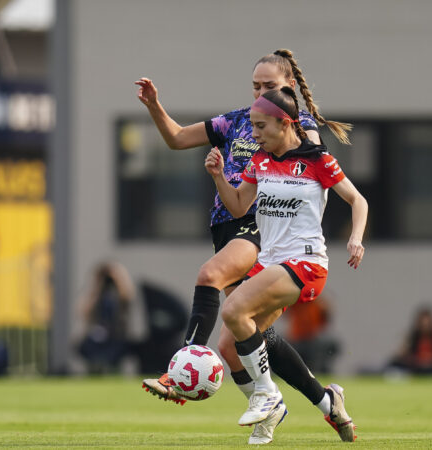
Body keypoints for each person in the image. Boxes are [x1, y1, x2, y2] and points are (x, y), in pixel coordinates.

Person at [136, 50, 352, 443]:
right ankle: (324, 402)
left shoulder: (296, 126)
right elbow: (178, 138)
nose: (260, 93)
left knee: (210, 274)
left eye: (269, 86)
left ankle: (182, 369)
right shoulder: (238, 120)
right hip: (227, 223)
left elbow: (312, 161)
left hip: (259, 227)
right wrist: (154, 106)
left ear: (288, 88)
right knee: (242, 342)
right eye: (256, 85)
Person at [205, 87, 368, 442]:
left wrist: (356, 238)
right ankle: (328, 402)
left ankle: (269, 399)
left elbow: (358, 200)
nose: (255, 134)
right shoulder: (259, 161)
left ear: (284, 123)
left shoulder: (317, 160)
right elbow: (237, 207)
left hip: (306, 263)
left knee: (233, 310)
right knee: (230, 346)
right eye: (252, 126)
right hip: (270, 265)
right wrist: (219, 176)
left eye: (261, 126)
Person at [77, 261, 188, 374]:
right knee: (92, 352)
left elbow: (127, 298)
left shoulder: (124, 295)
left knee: (116, 356)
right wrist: (97, 286)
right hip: (99, 336)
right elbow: (84, 312)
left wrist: (119, 277)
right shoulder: (97, 296)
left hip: (118, 336)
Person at [386, 305, 432, 375]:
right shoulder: (411, 335)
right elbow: (400, 353)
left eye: (428, 323)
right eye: (422, 323)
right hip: (416, 366)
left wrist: (431, 360)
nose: (425, 326)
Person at [285, 291, 340, 374]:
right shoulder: (297, 302)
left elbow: (326, 317)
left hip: (312, 339)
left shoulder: (318, 304)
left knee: (315, 363)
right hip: (296, 339)